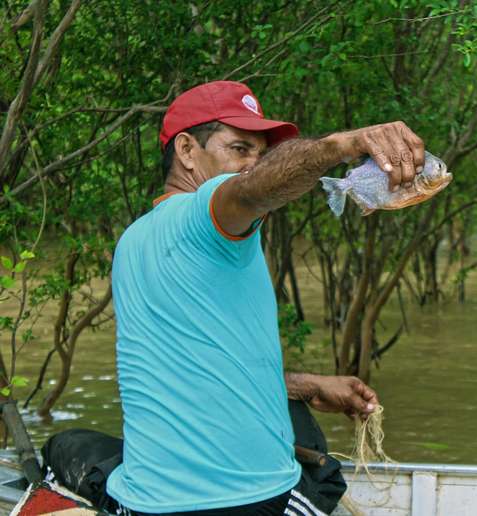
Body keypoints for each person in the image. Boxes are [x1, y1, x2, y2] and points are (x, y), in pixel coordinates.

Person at [105, 80, 426, 515]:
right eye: (240, 148)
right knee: (317, 476)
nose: (253, 164)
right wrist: (344, 144)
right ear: (185, 151)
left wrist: (304, 385)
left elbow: (198, 373)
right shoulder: (202, 215)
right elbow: (253, 189)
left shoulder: (133, 239)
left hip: (146, 500)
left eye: (260, 153)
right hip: (237, 503)